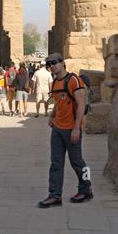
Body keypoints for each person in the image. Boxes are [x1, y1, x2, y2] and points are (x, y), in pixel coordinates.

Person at [38, 53, 93, 208]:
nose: (52, 66)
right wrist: (52, 116)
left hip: (71, 128)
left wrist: (77, 127)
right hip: (58, 128)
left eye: (55, 63)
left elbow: (81, 104)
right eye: (49, 64)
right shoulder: (55, 82)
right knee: (56, 163)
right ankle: (54, 195)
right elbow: (58, 101)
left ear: (63, 63)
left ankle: (86, 188)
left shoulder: (73, 80)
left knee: (78, 162)